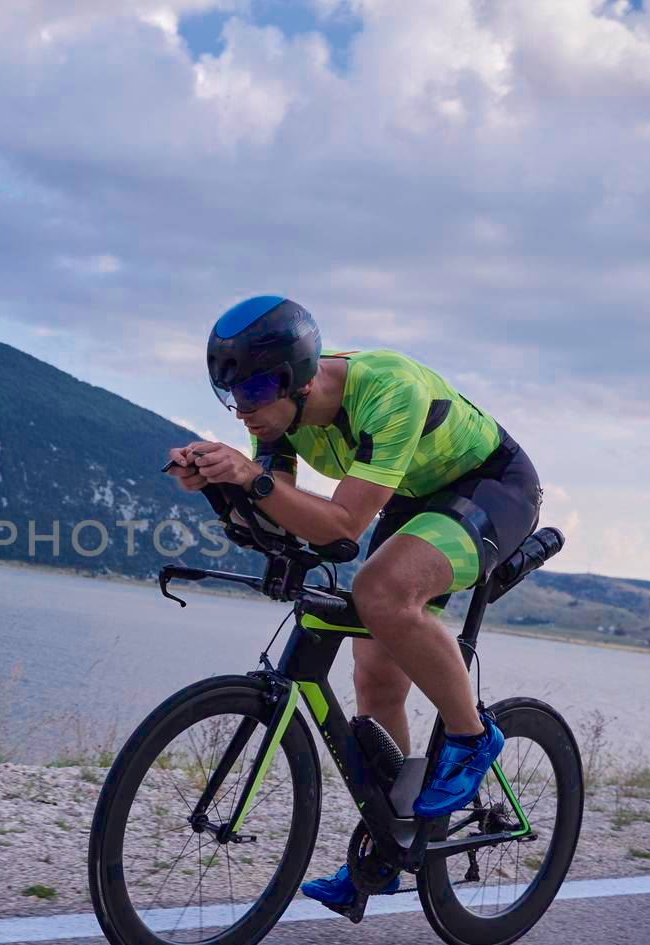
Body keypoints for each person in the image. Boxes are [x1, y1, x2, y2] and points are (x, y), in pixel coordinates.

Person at [166, 295, 543, 911]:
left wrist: (250, 478)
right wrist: (219, 478)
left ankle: (472, 739)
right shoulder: (274, 414)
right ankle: (393, 845)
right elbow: (280, 502)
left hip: (491, 485)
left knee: (379, 591)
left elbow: (341, 526)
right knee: (375, 676)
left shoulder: (387, 390)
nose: (244, 409)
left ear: (299, 377)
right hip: (412, 494)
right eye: (230, 393)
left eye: (257, 390)